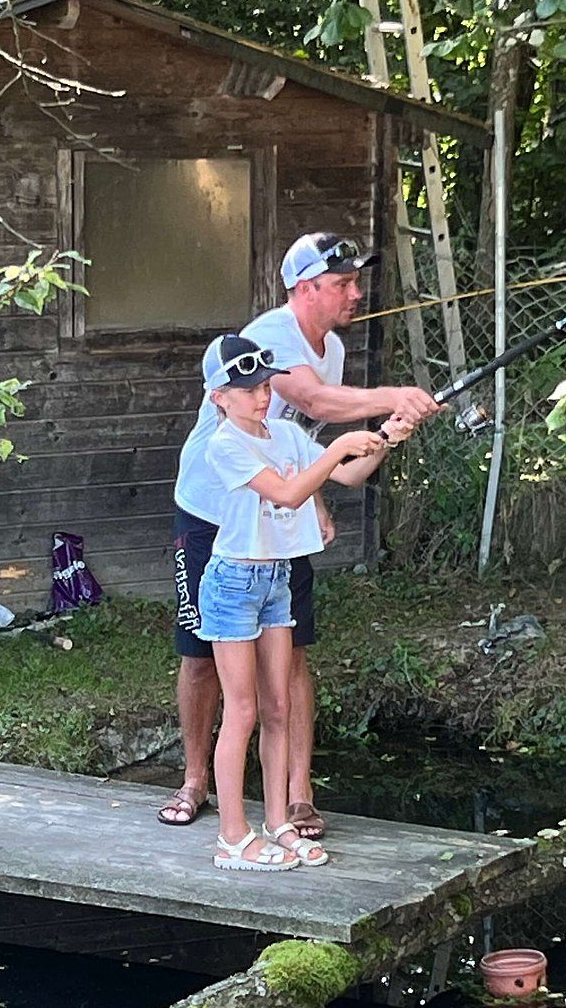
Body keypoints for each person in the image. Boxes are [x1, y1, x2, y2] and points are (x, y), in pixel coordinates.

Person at [161, 232, 441, 835]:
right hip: (214, 516)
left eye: (355, 281)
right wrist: (394, 395)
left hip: (276, 524)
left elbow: (300, 445)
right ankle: (194, 781)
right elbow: (313, 403)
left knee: (290, 660)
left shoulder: (330, 348)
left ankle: (295, 794)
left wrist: (386, 434)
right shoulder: (267, 340)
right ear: (305, 288)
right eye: (341, 283)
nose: (355, 293)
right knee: (203, 657)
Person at [196, 335, 408, 872]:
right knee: (240, 710)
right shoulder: (224, 445)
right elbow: (288, 495)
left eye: (265, 386)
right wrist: (338, 446)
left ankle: (276, 824)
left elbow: (349, 474)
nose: (261, 397)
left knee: (278, 709)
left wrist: (386, 436)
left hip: (277, 581)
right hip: (232, 583)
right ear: (219, 396)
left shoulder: (287, 434)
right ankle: (231, 837)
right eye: (247, 390)